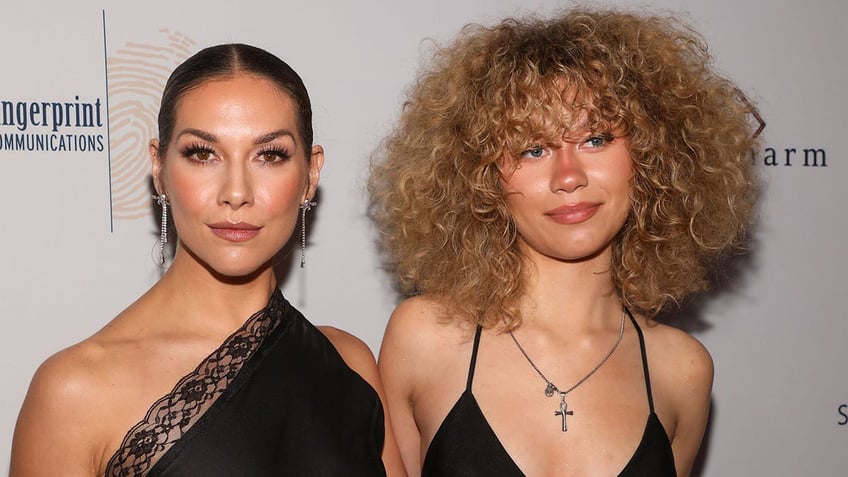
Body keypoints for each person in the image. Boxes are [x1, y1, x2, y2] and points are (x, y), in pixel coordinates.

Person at [369, 8, 759, 477]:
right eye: (533, 149)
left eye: (596, 138)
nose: (569, 177)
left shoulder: (683, 371)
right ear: (479, 177)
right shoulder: (425, 338)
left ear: (655, 154)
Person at [11, 43, 404, 476]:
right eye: (203, 153)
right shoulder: (74, 392)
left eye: (269, 155)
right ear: (158, 167)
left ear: (311, 175)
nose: (236, 192)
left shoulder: (350, 365)